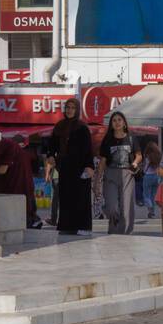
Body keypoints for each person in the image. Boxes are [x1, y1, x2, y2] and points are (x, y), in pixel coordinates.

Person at [52, 99, 94, 236]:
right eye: (67, 107)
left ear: (77, 110)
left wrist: (89, 166)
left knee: (81, 197)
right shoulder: (59, 127)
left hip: (80, 168)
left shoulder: (82, 128)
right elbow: (51, 146)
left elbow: (88, 149)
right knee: (65, 197)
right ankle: (66, 226)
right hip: (64, 168)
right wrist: (50, 155)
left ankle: (83, 226)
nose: (69, 110)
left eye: (72, 108)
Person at [98, 111, 141, 236]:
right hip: (110, 174)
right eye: (114, 120)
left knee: (126, 208)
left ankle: (125, 234)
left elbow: (139, 155)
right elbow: (103, 161)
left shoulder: (131, 137)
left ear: (124, 123)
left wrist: (135, 163)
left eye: (119, 120)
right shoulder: (107, 139)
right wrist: (97, 181)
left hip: (127, 174)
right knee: (111, 207)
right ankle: (114, 231)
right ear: (111, 124)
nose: (117, 122)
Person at [142, 139, 162, 220]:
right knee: (153, 195)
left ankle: (149, 206)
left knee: (146, 194)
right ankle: (152, 213)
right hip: (157, 177)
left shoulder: (147, 156)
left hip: (148, 176)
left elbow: (144, 168)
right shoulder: (159, 156)